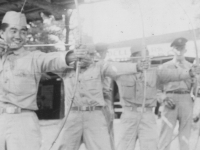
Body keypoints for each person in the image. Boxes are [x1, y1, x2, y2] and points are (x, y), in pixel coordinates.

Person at [0, 11, 88, 150]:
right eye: (13, 31)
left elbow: (53, 59)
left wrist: (73, 55)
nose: (18, 36)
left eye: (23, 32)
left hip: (23, 122)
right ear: (2, 33)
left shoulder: (34, 57)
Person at [52, 44, 150, 150]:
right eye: (83, 53)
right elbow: (51, 64)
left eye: (90, 54)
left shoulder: (100, 66)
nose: (87, 57)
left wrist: (136, 67)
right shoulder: (66, 69)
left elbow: (117, 67)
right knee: (66, 147)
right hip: (72, 116)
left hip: (94, 116)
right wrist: (70, 58)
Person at [116, 45, 197, 150]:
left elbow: (173, 74)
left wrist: (189, 73)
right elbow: (109, 67)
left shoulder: (154, 72)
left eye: (148, 56)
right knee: (125, 147)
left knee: (150, 147)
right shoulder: (122, 72)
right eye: (142, 56)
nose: (147, 59)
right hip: (129, 115)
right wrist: (135, 67)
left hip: (147, 115)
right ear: (134, 57)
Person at [158, 37, 194, 150]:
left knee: (185, 135)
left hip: (186, 99)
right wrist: (163, 98)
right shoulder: (164, 67)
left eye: (181, 48)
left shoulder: (192, 67)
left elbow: (197, 89)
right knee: (165, 135)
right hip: (170, 99)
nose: (179, 51)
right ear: (172, 50)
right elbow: (156, 89)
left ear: (185, 50)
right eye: (176, 48)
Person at [95, 43, 115, 144]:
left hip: (100, 98)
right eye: (104, 52)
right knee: (107, 130)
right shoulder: (104, 64)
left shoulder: (98, 64)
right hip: (103, 97)